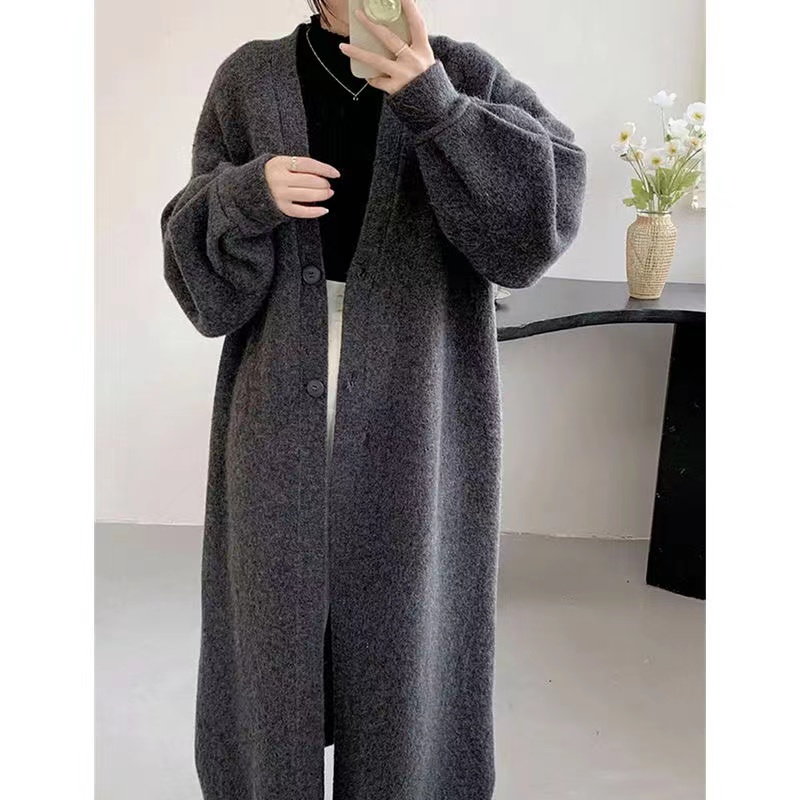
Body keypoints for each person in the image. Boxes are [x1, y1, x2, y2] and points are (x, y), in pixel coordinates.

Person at [160, 1, 587, 797]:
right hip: (275, 402)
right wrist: (245, 195)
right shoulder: (249, 79)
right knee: (268, 629)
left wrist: (438, 105)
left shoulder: (463, 70)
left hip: (419, 407)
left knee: (407, 631)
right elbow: (205, 291)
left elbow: (536, 232)